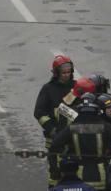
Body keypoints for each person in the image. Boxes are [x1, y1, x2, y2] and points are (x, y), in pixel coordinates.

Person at [50, 94, 111, 190]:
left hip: (79, 175)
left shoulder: (72, 128)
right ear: (97, 110)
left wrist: (57, 168)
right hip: (102, 174)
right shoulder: (105, 127)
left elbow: (54, 146)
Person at [36, 55, 77, 186]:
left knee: (75, 170)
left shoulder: (77, 88)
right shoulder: (48, 89)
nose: (66, 75)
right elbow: (39, 112)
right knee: (55, 172)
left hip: (74, 139)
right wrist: (52, 130)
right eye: (63, 73)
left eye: (68, 72)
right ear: (56, 73)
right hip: (54, 140)